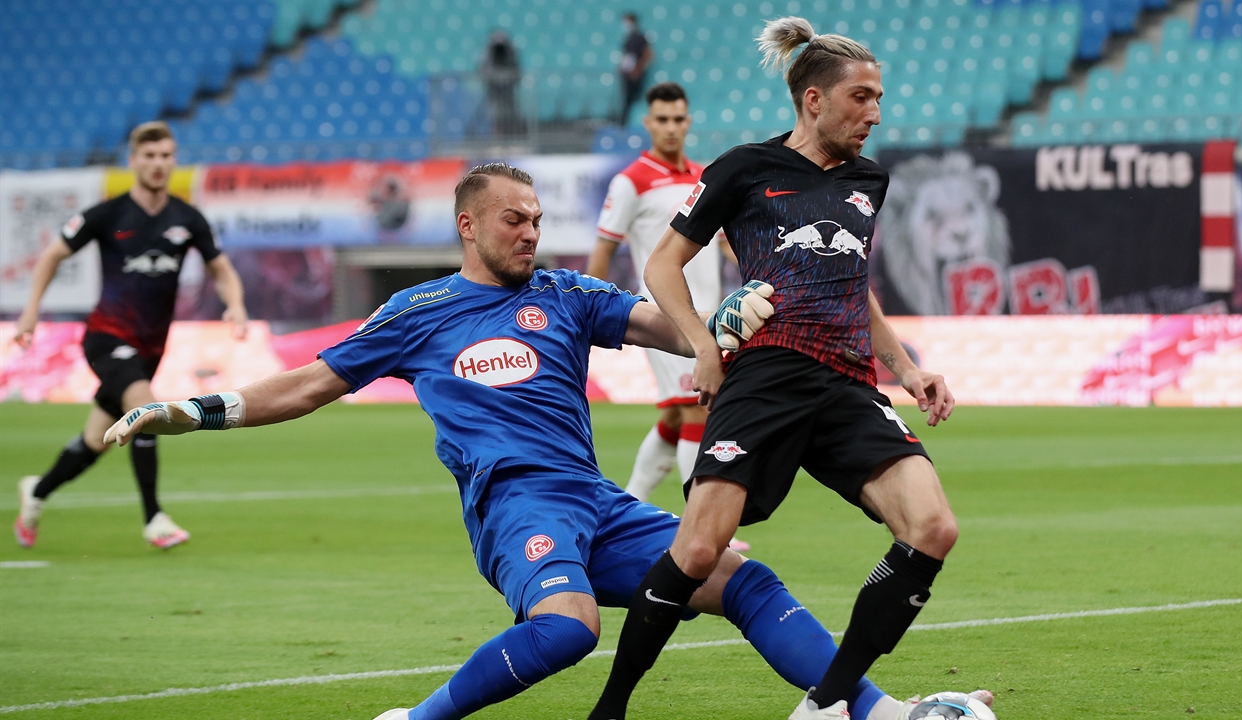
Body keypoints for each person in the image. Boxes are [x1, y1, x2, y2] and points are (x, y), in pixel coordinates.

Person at [102, 163, 911, 720]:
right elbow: (309, 384)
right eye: (514, 220)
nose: (531, 232)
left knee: (743, 580)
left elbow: (664, 327)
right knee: (569, 628)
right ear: (468, 225)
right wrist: (195, 411)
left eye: (537, 220)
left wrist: (718, 326)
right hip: (515, 504)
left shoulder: (567, 293)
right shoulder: (418, 313)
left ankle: (874, 710)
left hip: (596, 503)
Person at [588, 18, 991, 720]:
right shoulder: (744, 168)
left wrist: (906, 368)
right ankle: (610, 710)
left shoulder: (870, 180)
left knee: (933, 528)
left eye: (879, 97)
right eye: (861, 97)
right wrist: (704, 346)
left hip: (847, 383)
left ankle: (825, 704)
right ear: (813, 99)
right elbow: (662, 265)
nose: (875, 112)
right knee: (699, 549)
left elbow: (853, 284)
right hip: (765, 376)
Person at [12, 121, 247, 551]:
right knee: (147, 409)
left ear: (174, 160)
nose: (158, 164)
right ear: (133, 160)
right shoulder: (107, 215)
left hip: (150, 348)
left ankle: (37, 491)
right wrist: (30, 312)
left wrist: (235, 304)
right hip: (106, 336)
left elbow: (221, 268)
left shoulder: (187, 218)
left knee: (95, 441)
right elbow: (52, 254)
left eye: (166, 156)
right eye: (150, 156)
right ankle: (154, 518)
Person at [588, 82, 747, 553]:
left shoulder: (703, 176)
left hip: (709, 314)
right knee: (697, 407)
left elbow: (725, 244)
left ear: (688, 121)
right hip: (663, 316)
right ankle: (704, 528)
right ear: (648, 123)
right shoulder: (631, 181)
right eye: (662, 120)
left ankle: (623, 510)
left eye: (678, 119)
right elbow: (604, 249)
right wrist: (586, 313)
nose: (671, 128)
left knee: (679, 416)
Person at [479, 30, 522, 137]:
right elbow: (483, 71)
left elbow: (516, 72)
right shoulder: (488, 54)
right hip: (493, 91)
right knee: (494, 115)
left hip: (508, 92)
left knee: (510, 115)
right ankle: (496, 137)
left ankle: (513, 136)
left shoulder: (510, 54)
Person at [616, 11, 652, 126]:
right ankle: (624, 124)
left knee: (635, 98)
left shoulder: (640, 38)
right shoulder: (627, 38)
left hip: (636, 74)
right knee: (626, 100)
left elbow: (648, 55)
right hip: (627, 74)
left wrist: (638, 69)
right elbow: (627, 56)